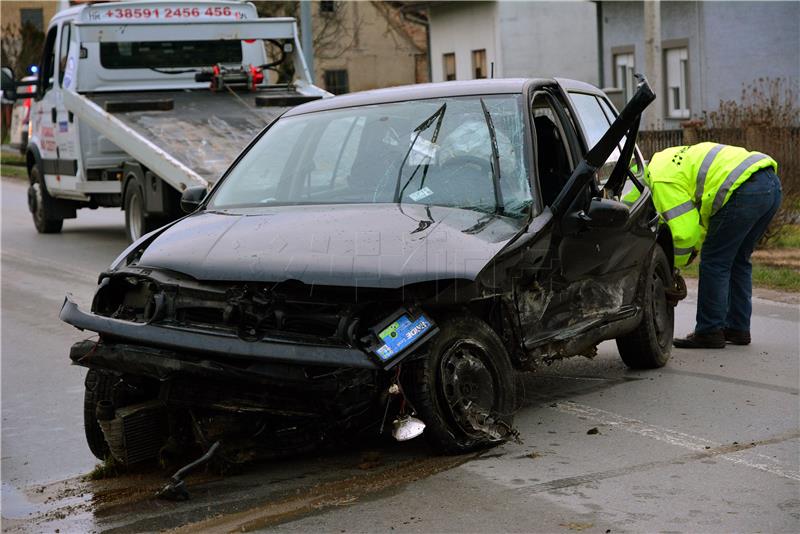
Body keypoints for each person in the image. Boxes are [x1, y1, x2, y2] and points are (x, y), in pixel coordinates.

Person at [643, 142, 781, 348]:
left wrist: (671, 268)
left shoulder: (659, 178)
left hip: (742, 190)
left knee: (714, 262)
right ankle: (737, 328)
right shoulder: (668, 160)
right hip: (770, 183)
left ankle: (709, 330)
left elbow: (685, 231)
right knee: (738, 260)